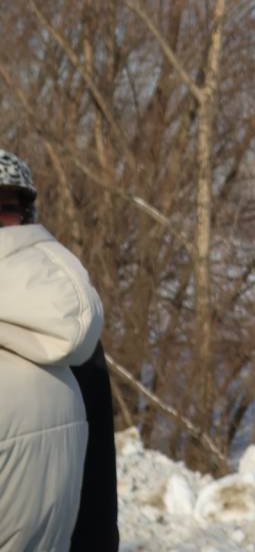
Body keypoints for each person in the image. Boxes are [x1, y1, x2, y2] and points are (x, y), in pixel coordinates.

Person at [1, 149, 105, 552]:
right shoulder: (73, 331)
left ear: (27, 217)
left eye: (6, 208)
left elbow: (97, 494)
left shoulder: (74, 345)